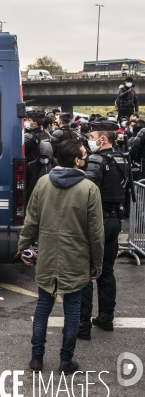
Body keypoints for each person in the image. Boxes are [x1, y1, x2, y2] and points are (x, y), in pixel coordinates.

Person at [18, 139, 104, 374]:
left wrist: (22, 247)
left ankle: (37, 359)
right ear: (76, 161)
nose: (86, 158)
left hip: (47, 257)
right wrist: (97, 264)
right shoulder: (89, 189)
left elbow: (31, 220)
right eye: (84, 155)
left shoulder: (43, 183)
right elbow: (96, 233)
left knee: (42, 307)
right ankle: (66, 361)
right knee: (72, 311)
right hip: (76, 259)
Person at [79, 121, 129, 340]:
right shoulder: (123, 159)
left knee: (86, 273)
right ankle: (106, 317)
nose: (90, 139)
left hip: (96, 222)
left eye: (93, 136)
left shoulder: (96, 160)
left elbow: (85, 192)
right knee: (107, 271)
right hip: (115, 221)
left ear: (103, 139)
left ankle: (83, 323)